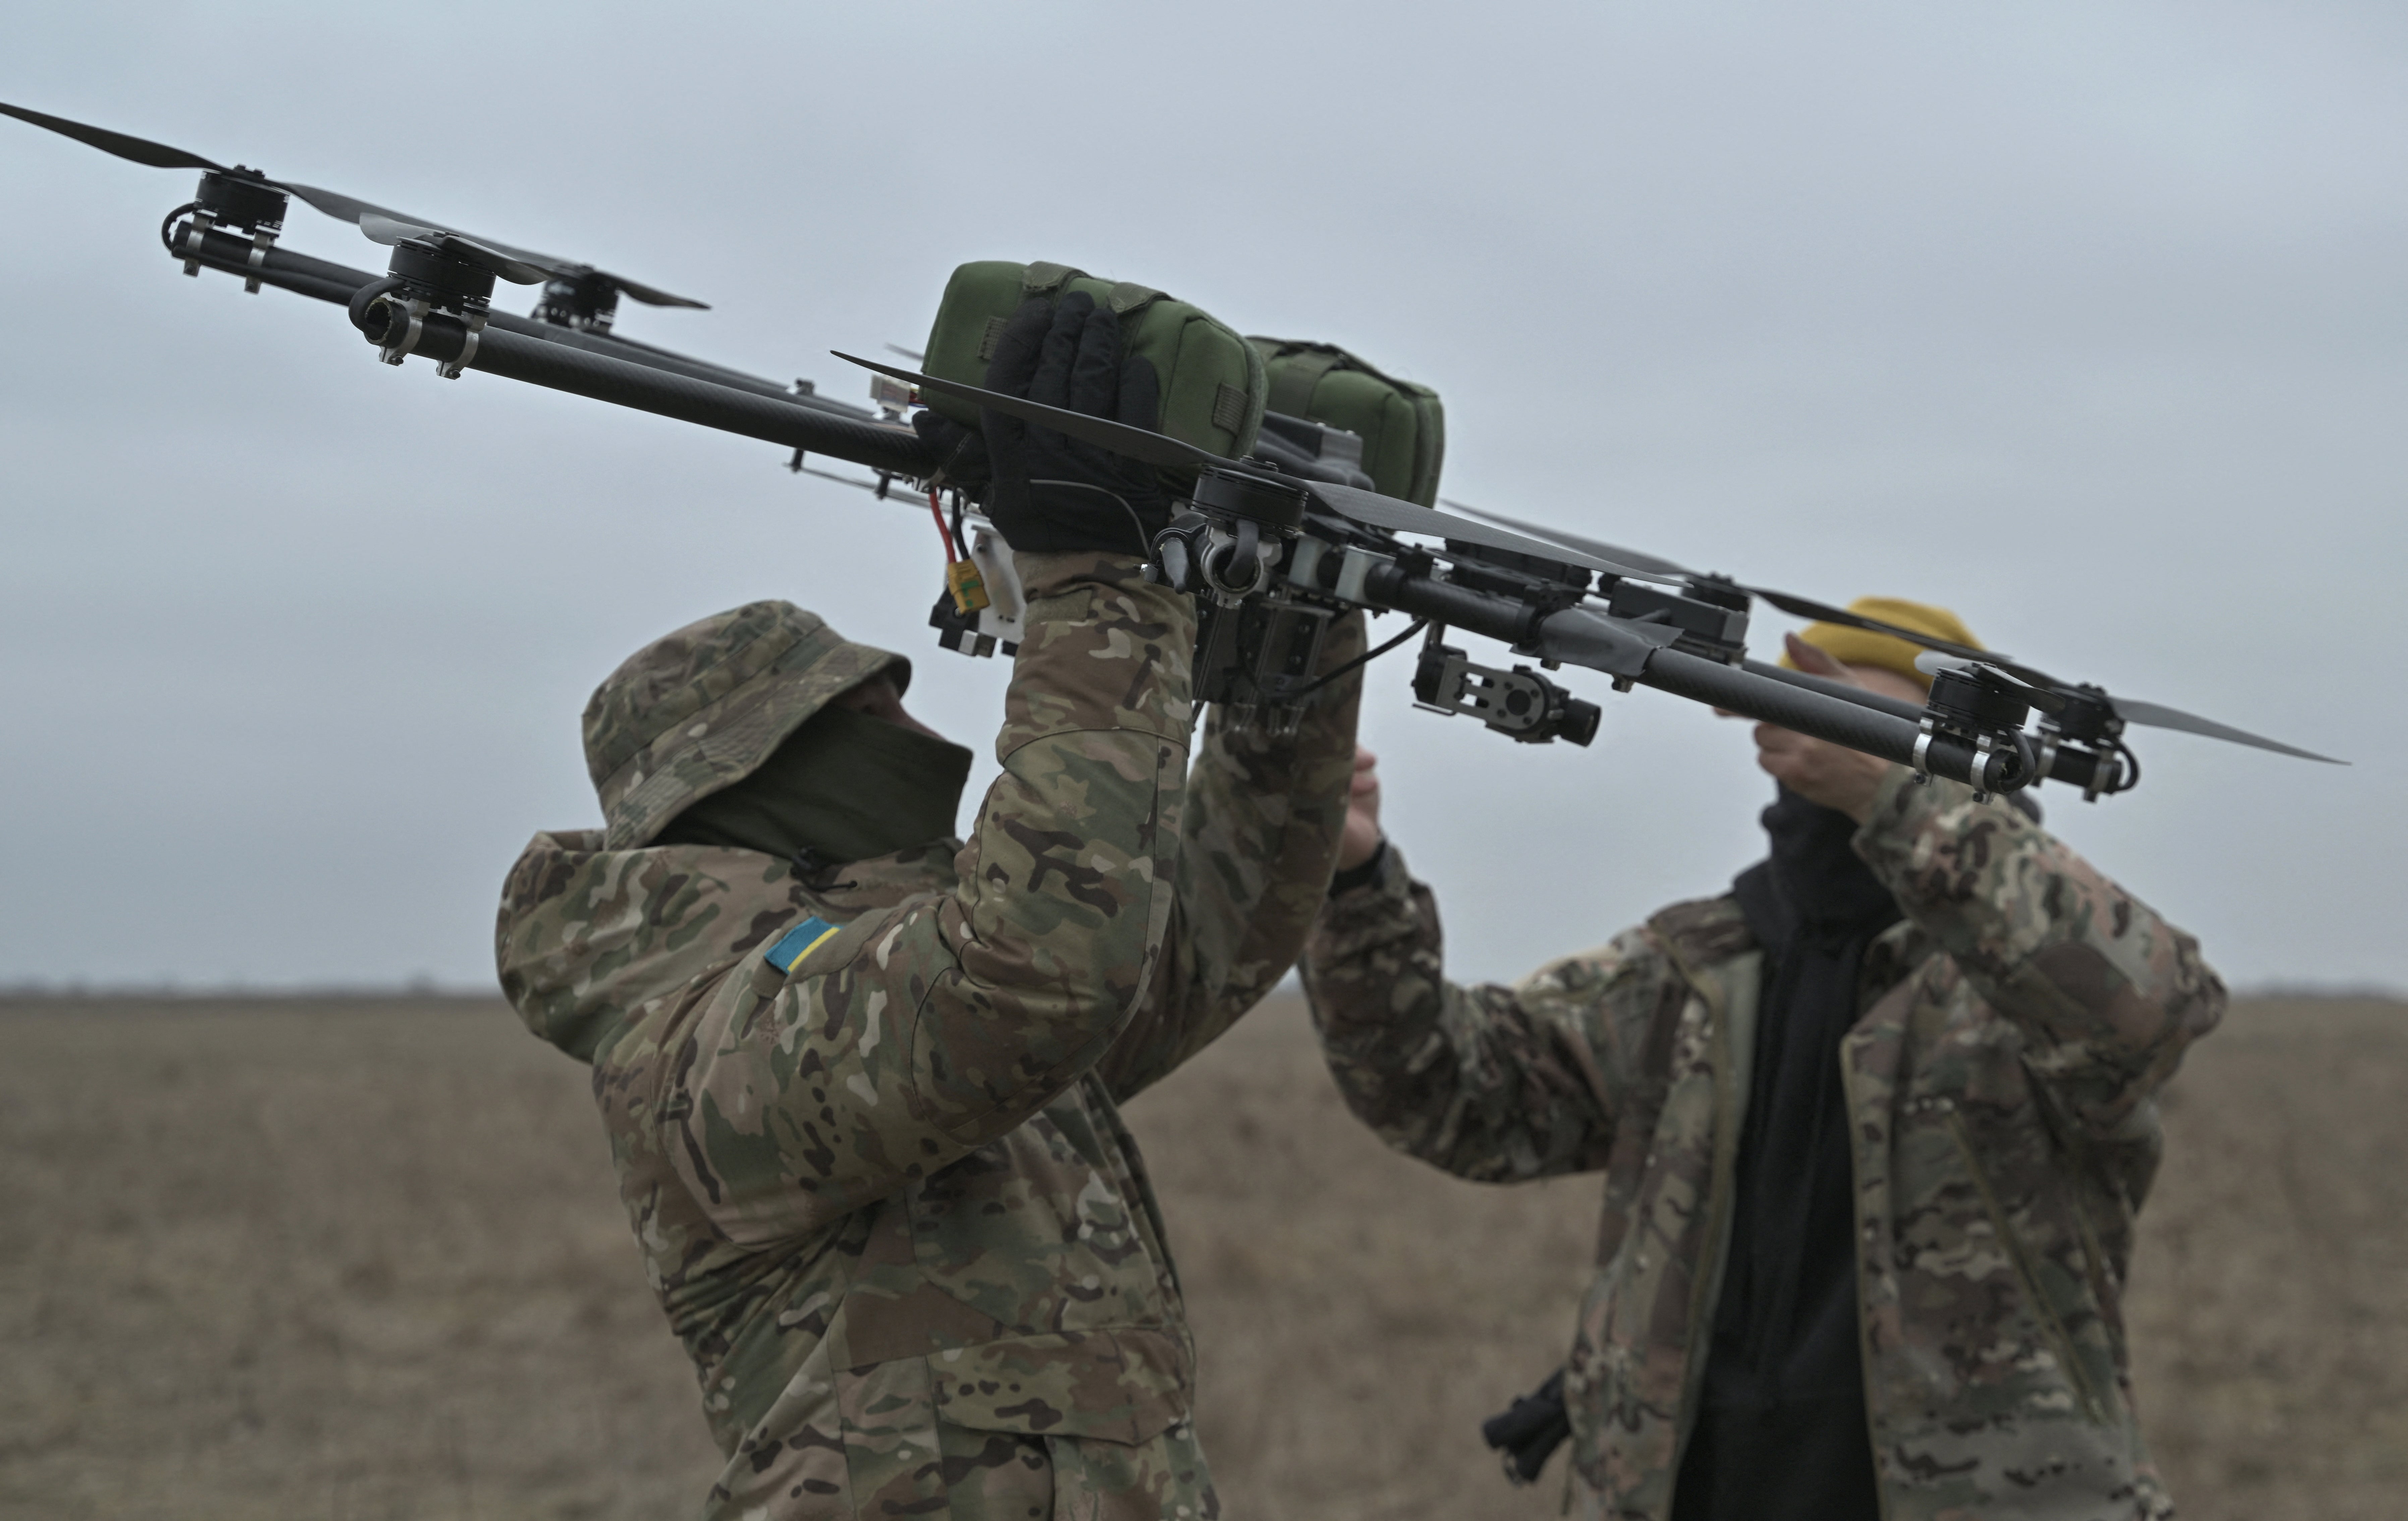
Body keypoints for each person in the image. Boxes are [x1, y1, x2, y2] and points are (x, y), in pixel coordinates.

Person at [496, 290, 1364, 1519]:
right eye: (869, 717)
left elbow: (1199, 941)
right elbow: (1029, 978)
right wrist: (1087, 585)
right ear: (759, 782)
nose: (917, 734)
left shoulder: (926, 989)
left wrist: (1289, 670)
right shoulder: (697, 1057)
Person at [1303, 599, 2226, 1521]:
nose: (1833, 748)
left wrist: (1891, 794)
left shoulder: (2024, 983)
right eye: (1817, 715)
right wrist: (1355, 885)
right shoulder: (1695, 966)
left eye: (1869, 723)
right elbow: (1451, 1097)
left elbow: (2151, 1012)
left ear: (1959, 766)